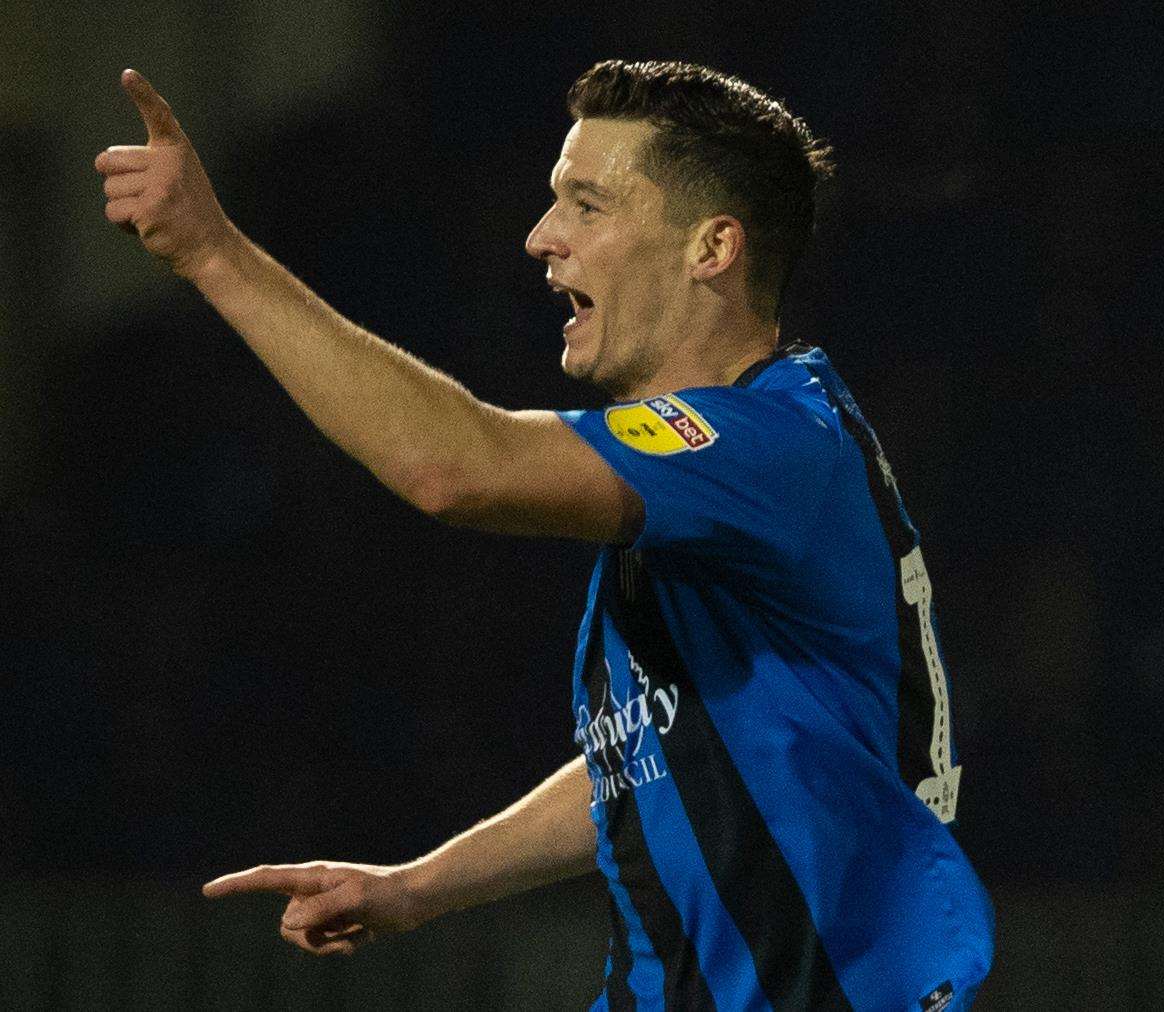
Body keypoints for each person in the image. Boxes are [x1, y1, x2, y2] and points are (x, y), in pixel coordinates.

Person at [96, 59, 994, 1010]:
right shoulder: (729, 482)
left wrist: (214, 254)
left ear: (712, 247)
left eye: (587, 205)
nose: (541, 238)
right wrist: (418, 886)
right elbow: (656, 750)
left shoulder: (771, 450)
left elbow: (454, 469)